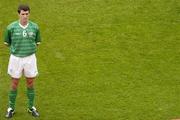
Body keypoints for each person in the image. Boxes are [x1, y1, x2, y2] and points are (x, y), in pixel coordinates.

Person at [4, 4, 41, 118]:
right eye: (23, 14)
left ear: (29, 14)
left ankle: (31, 107)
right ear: (18, 14)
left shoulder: (35, 27)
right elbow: (7, 43)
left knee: (30, 82)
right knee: (14, 83)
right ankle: (11, 108)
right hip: (16, 58)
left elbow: (37, 42)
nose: (25, 16)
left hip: (30, 58)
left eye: (27, 14)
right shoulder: (11, 28)